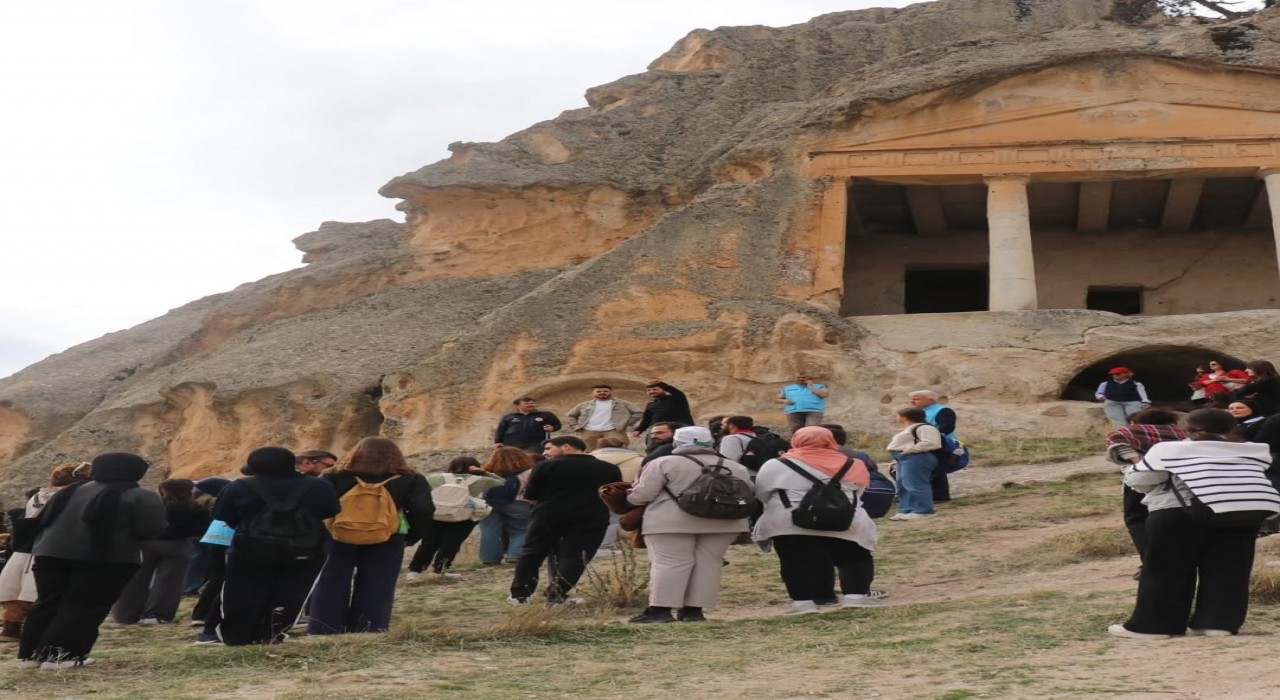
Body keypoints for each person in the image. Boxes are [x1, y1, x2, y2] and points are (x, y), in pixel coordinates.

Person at [1110, 409, 1280, 640]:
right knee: (1229, 569)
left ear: (1186, 429)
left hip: (1179, 512)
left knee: (1166, 568)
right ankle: (1217, 624)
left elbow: (1140, 480)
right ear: (1231, 428)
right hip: (1243, 511)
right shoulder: (1252, 449)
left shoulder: (1169, 449)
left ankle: (1154, 627)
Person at [18, 453, 166, 669]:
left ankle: (32, 655)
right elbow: (151, 528)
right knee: (83, 606)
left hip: (48, 554)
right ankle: (61, 657)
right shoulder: (139, 495)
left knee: (48, 602)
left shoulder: (70, 490)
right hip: (105, 558)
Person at [213, 447, 340, 646]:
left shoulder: (240, 486)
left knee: (242, 592)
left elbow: (222, 515)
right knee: (291, 592)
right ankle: (272, 634)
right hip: (305, 549)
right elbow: (330, 510)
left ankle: (237, 636)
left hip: (250, 548)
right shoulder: (319, 486)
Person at [626, 427, 753, 623]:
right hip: (725, 521)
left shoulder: (663, 462)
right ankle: (694, 611)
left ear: (677, 442)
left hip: (670, 521)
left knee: (670, 563)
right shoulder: (734, 466)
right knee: (709, 564)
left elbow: (642, 495)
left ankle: (661, 609)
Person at [309, 438, 433, 635]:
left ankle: (325, 628)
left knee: (331, 581)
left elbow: (316, 506)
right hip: (388, 535)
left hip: (338, 535)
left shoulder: (333, 475)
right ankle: (369, 627)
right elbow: (423, 510)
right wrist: (411, 536)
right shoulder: (410, 478)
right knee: (379, 583)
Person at [752, 427, 878, 614]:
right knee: (854, 557)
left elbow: (761, 492)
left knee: (795, 561)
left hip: (788, 519)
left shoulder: (776, 464)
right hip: (843, 518)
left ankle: (803, 603)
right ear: (830, 441)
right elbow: (858, 490)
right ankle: (855, 597)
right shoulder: (854, 463)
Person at [508, 436, 622, 605]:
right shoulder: (609, 468)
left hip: (548, 514)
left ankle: (520, 595)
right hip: (591, 516)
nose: (546, 453)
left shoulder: (545, 466)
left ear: (567, 446)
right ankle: (556, 595)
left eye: (549, 448)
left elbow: (531, 495)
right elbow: (612, 493)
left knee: (532, 552)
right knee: (576, 557)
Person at [0, 463, 88, 645]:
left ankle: (12, 628)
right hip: (51, 549)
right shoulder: (68, 496)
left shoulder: (38, 495)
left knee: (19, 592)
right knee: (43, 594)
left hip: (27, 549)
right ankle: (40, 634)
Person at [111, 479, 212, 625]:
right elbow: (202, 529)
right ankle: (157, 615)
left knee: (135, 580)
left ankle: (125, 615)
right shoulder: (197, 508)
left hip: (145, 544)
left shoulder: (152, 506)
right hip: (178, 545)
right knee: (169, 582)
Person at [1104, 409, 1187, 569]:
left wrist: (1138, 461)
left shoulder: (1134, 432)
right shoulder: (1181, 433)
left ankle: (1150, 562)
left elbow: (1116, 441)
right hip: (1180, 481)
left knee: (1137, 519)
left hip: (1142, 480)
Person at [408, 456, 502, 581]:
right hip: (463, 516)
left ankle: (415, 571)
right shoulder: (480, 480)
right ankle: (440, 569)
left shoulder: (436, 477)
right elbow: (501, 481)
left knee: (429, 542)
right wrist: (483, 471)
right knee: (451, 543)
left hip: (437, 514)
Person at [477, 448, 537, 565]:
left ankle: (489, 558)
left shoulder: (486, 472)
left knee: (489, 531)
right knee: (520, 530)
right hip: (518, 504)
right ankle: (515, 555)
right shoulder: (528, 472)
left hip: (488, 504)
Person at [591, 437, 645, 557]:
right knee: (615, 520)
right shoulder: (639, 460)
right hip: (622, 494)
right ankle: (605, 546)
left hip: (591, 494)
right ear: (623, 446)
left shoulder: (589, 458)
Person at [886, 408, 942, 520]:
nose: (896, 417)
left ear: (905, 417)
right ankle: (907, 510)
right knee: (903, 484)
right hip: (905, 458)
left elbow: (932, 443)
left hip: (916, 457)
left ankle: (923, 510)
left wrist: (909, 449)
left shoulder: (924, 427)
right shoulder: (910, 428)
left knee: (916, 484)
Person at [908, 390, 957, 503]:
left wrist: (932, 437)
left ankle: (940, 496)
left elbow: (948, 427)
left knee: (936, 469)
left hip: (940, 445)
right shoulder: (918, 413)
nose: (912, 401)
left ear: (930, 400)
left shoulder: (942, 411)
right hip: (924, 444)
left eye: (916, 398)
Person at [565, 385, 643, 451]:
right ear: (593, 393)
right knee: (588, 451)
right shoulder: (583, 405)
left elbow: (638, 413)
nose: (602, 393)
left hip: (614, 431)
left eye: (605, 391)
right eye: (598, 391)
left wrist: (626, 424)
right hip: (589, 431)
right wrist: (575, 426)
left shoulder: (623, 403)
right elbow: (570, 415)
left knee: (619, 450)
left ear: (611, 392)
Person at [494, 398, 562, 452]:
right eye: (526, 403)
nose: (530, 405)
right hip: (510, 445)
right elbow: (500, 430)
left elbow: (558, 425)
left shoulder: (545, 414)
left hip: (535, 444)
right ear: (517, 406)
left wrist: (552, 428)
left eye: (532, 403)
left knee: (531, 460)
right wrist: (497, 442)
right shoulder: (509, 417)